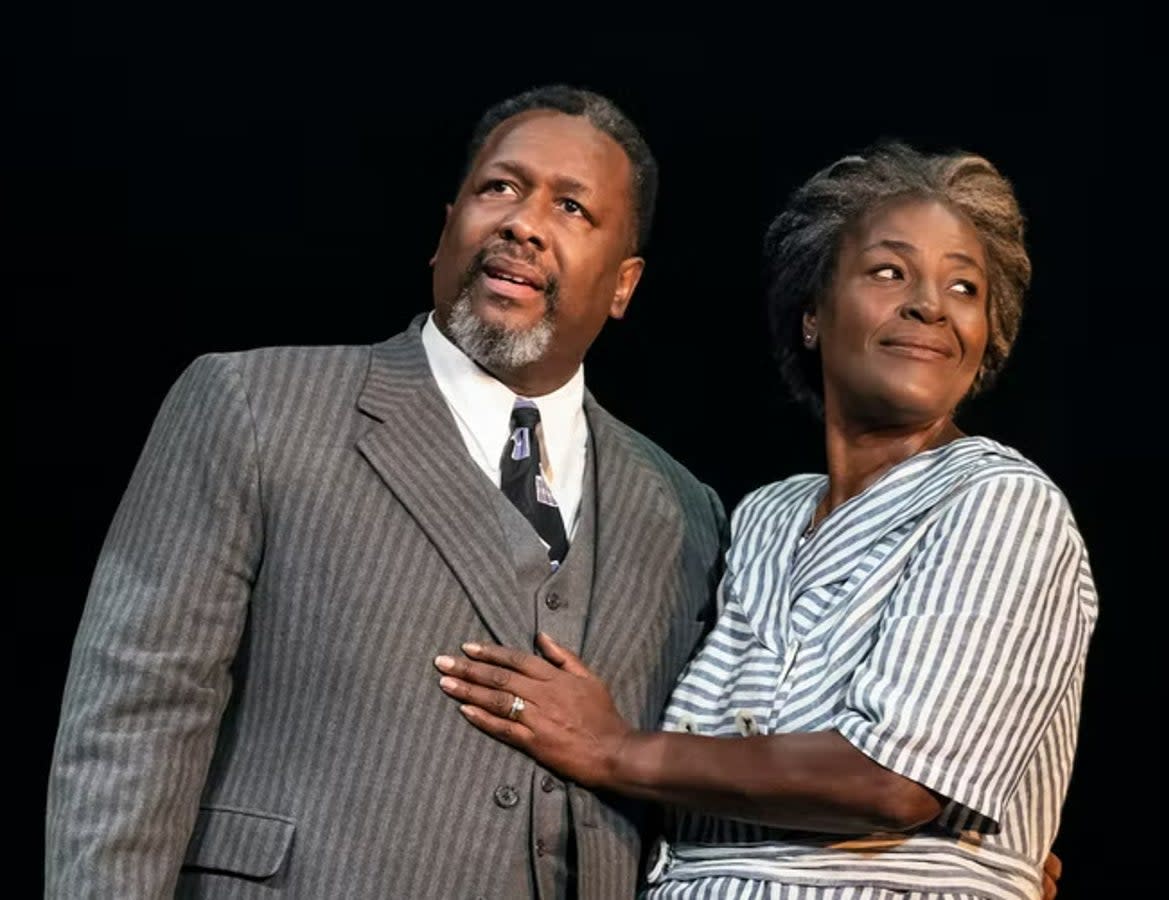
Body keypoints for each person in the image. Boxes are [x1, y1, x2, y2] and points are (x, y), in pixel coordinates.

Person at [45, 85, 728, 899]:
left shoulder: (683, 510)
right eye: (499, 188)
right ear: (446, 230)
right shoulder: (254, 405)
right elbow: (132, 722)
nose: (523, 222)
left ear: (624, 285)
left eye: (573, 208)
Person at [434, 142, 1096, 900]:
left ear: (985, 341)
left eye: (965, 287)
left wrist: (617, 751)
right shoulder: (762, 518)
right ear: (811, 314)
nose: (929, 304)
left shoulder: (1001, 499)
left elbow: (896, 779)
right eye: (890, 271)